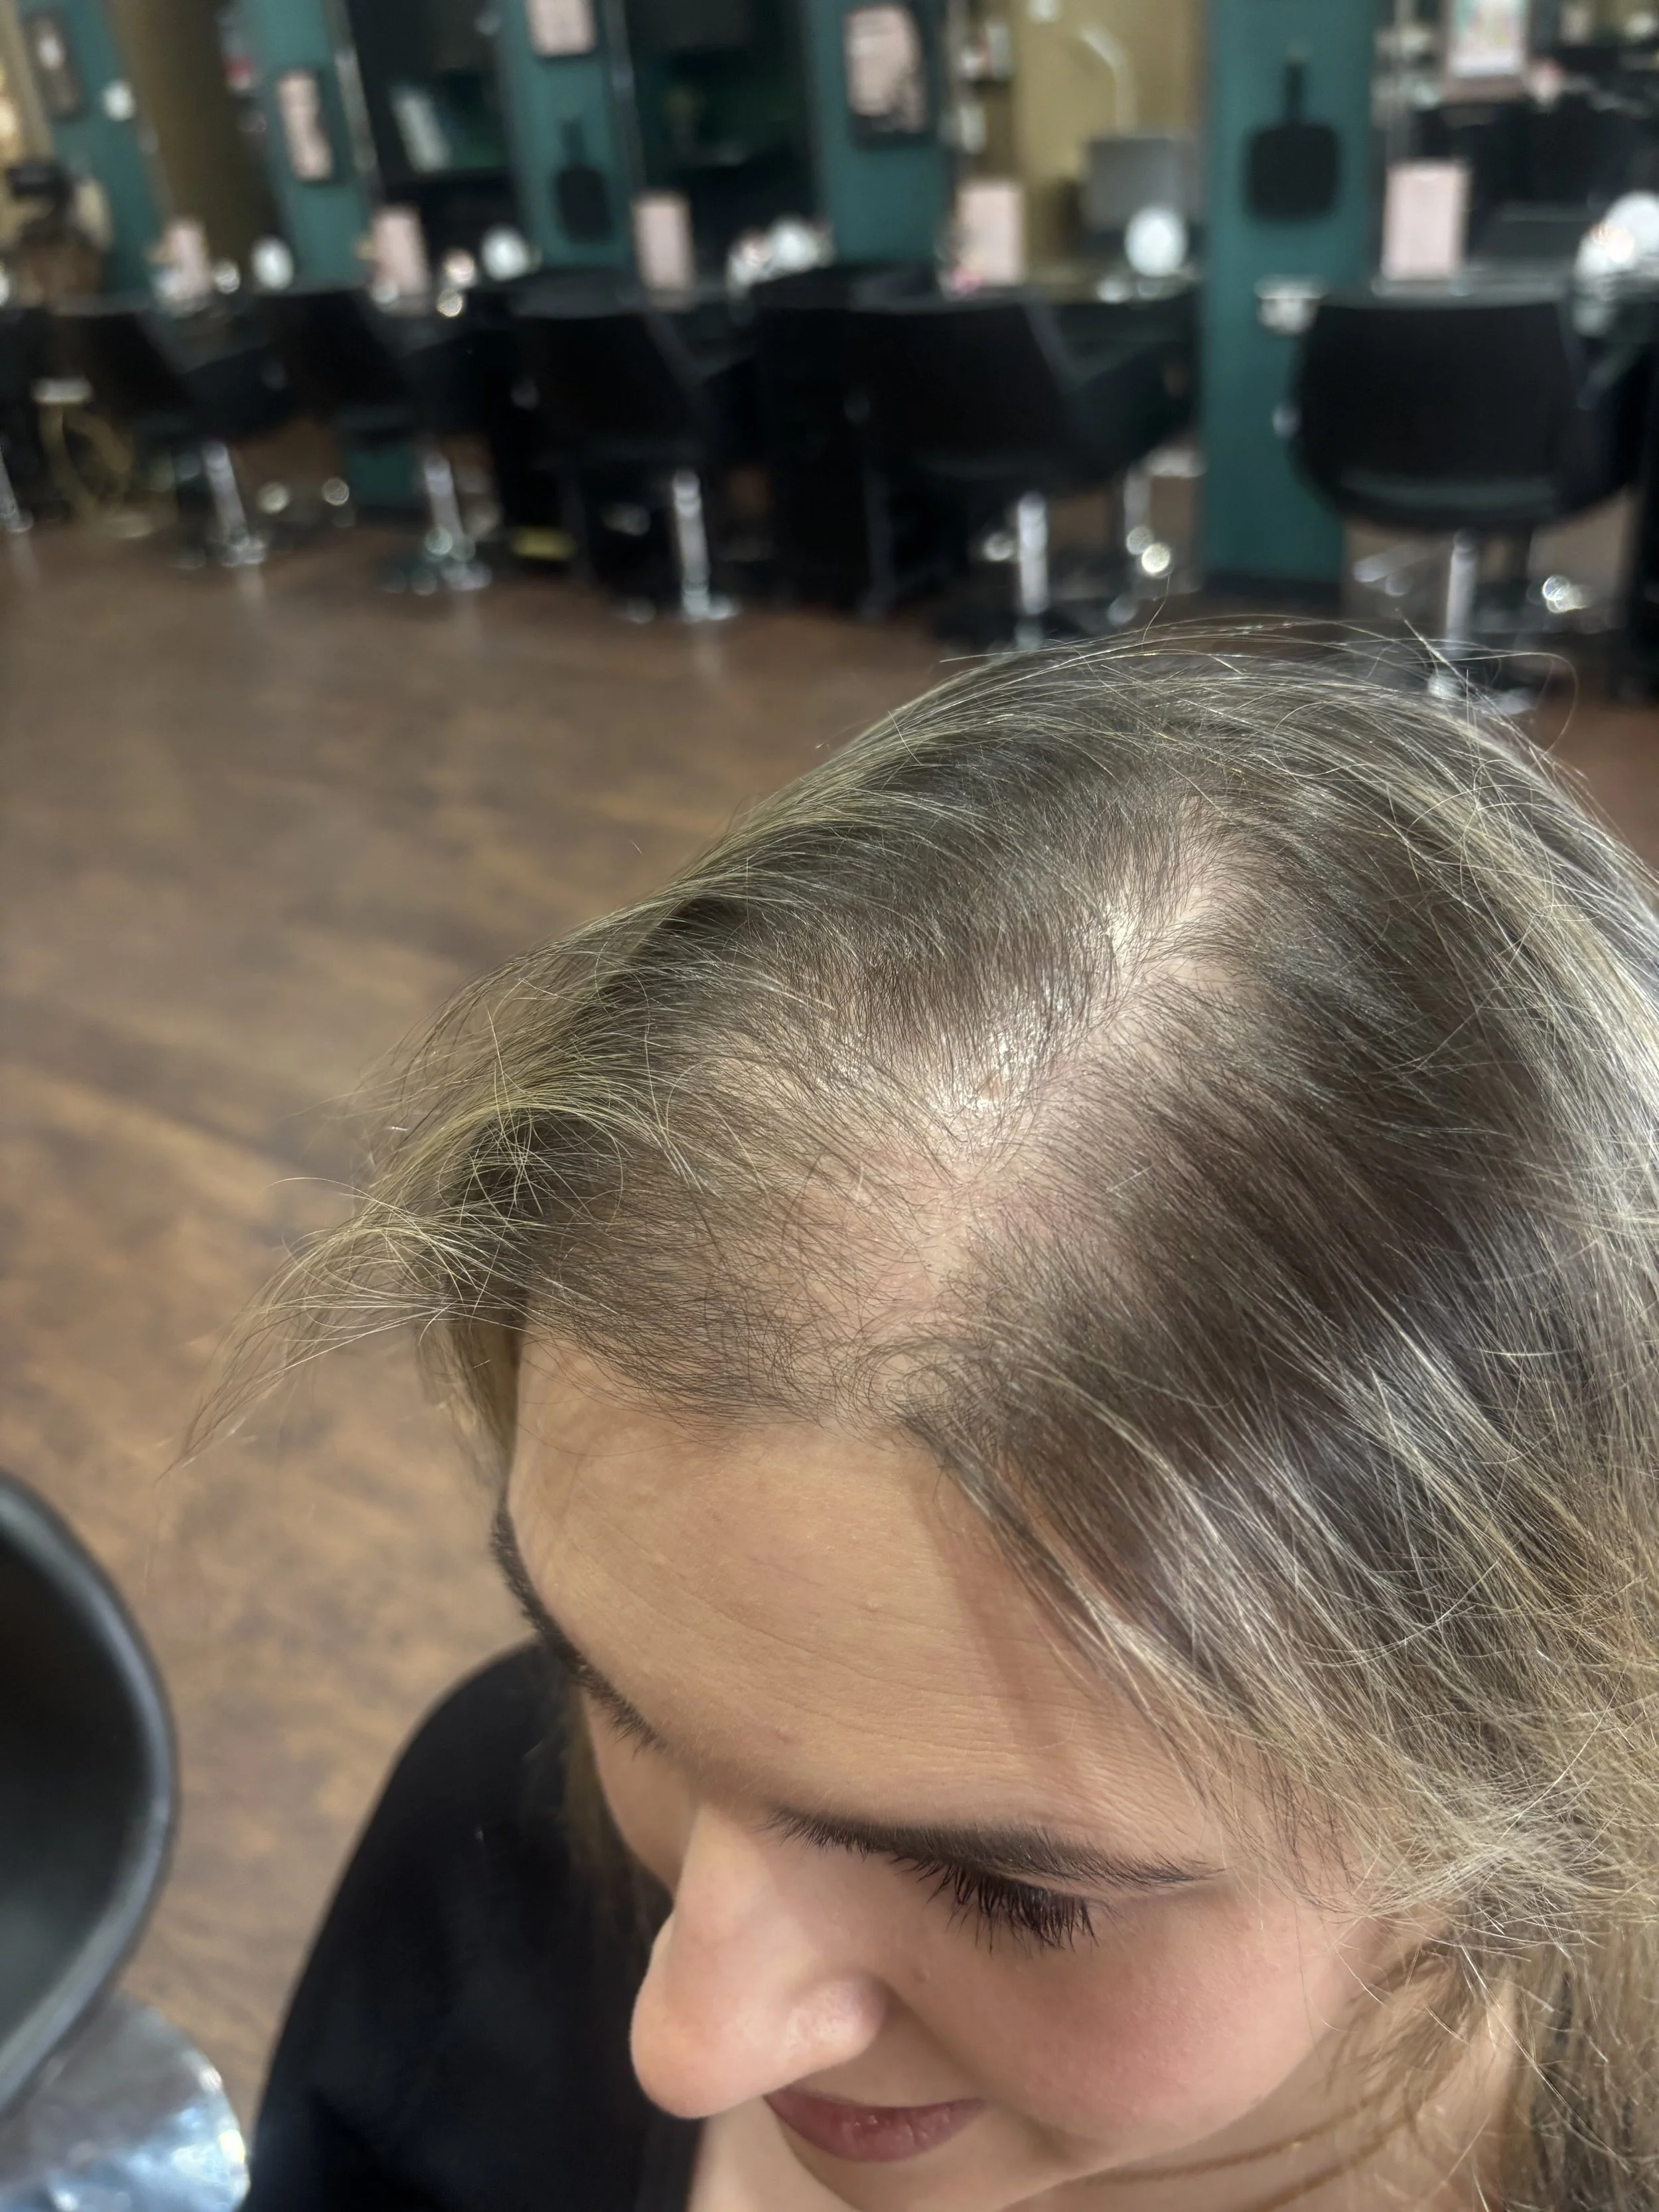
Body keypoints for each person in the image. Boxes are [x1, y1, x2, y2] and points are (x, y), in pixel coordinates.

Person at [232, 644, 1659, 2212]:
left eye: (1009, 1892)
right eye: (611, 1690)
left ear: (1533, 1784)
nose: (692, 2039)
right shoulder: (475, 1844)